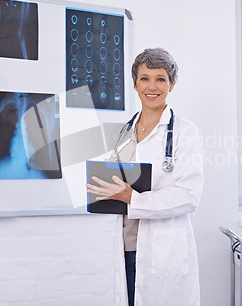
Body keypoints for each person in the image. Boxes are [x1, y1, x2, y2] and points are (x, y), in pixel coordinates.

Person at [86, 48, 204, 306]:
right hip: (125, 246)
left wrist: (133, 198)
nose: (152, 86)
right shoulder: (124, 131)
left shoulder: (184, 131)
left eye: (160, 79)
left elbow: (189, 196)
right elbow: (117, 182)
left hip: (162, 249)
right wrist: (100, 188)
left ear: (171, 84)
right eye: (145, 78)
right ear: (134, 84)